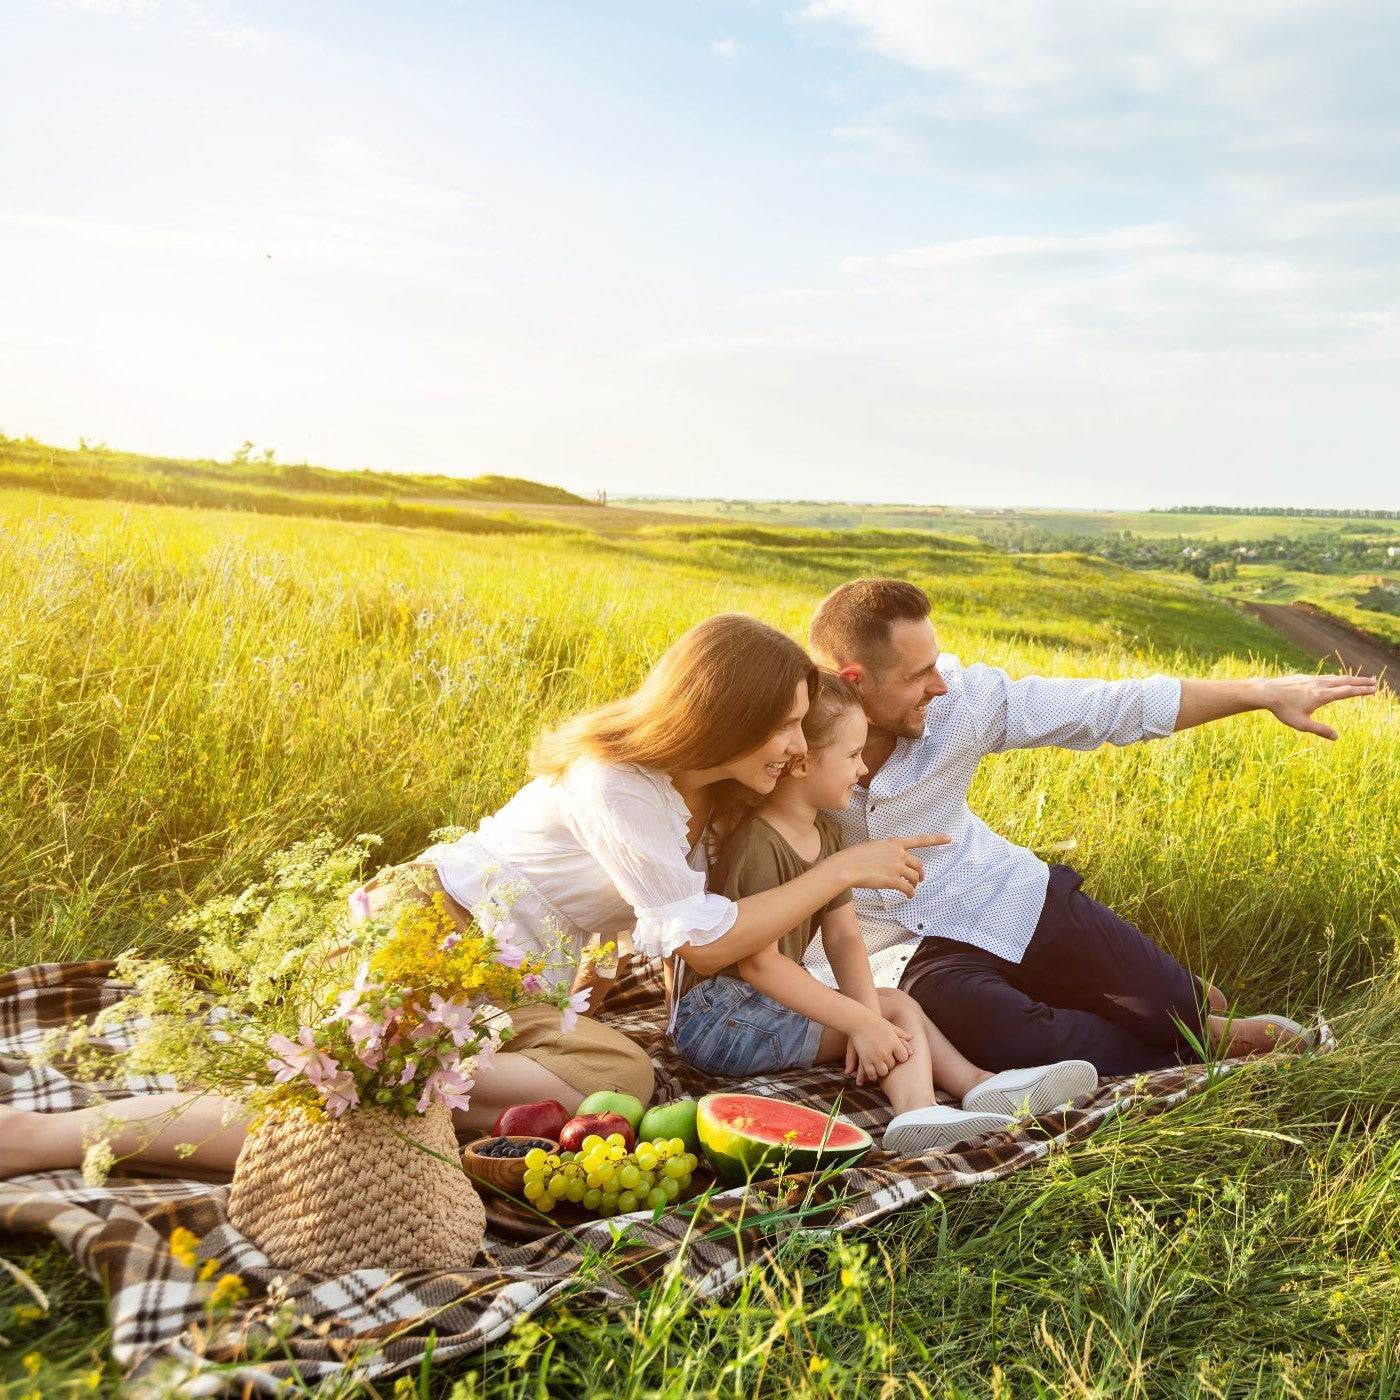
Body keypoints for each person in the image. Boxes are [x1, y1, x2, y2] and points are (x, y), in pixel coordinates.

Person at [0, 614, 945, 1179]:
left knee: (625, 1083)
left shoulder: (707, 792)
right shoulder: (613, 783)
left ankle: (420, 1085)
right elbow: (699, 944)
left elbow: (768, 879)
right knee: (353, 1107)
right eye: (779, 724)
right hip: (426, 935)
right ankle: (48, 1137)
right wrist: (838, 874)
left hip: (506, 984)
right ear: (723, 717)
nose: (792, 745)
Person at [801, 578, 1377, 1076]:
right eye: (918, 674)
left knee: (1171, 1000)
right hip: (897, 947)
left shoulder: (962, 705)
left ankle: (1188, 1015)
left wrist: (1260, 693)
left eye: (936, 663)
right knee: (1019, 1039)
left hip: (998, 893)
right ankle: (1197, 1050)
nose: (940, 684)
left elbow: (1104, 706)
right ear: (853, 679)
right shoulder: (789, 742)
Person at [671, 670, 1098, 1154]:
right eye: (852, 756)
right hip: (718, 1018)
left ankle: (980, 1084)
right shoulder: (760, 842)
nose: (861, 770)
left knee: (889, 1003)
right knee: (892, 1007)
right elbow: (758, 962)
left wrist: (867, 1022)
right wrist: (863, 1022)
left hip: (764, 1006)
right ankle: (916, 1112)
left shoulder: (828, 835)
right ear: (802, 765)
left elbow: (844, 939)